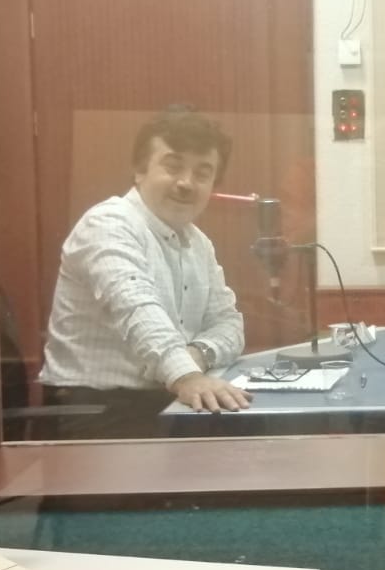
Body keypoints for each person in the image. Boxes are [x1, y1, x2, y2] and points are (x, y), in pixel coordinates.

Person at [39, 106, 252, 436]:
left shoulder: (198, 243)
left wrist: (196, 355)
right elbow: (137, 308)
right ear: (140, 171)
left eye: (202, 173)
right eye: (173, 166)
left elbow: (229, 324)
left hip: (164, 401)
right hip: (96, 413)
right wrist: (186, 375)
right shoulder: (107, 224)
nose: (186, 183)